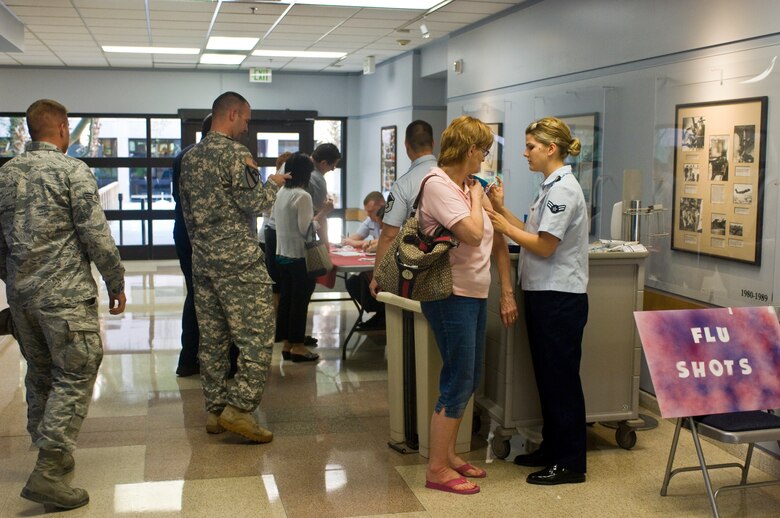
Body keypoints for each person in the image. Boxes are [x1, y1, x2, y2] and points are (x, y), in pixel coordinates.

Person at [0, 99, 126, 510]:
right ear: (62, 128)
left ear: (29, 129)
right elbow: (95, 233)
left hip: (22, 299)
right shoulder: (72, 171)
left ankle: (48, 450)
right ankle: (50, 470)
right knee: (76, 370)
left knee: (41, 373)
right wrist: (115, 280)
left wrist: (15, 281)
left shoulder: (5, 174)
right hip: (65, 298)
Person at [415, 116, 518, 495]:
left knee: (469, 378)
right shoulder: (438, 185)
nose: (485, 158)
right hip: (449, 295)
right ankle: (437, 468)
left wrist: (506, 291)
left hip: (474, 294)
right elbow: (473, 234)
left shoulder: (469, 185)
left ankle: (448, 455)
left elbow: (497, 238)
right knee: (458, 378)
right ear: (470, 149)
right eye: (484, 151)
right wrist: (477, 200)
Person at [180, 91, 289, 443]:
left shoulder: (190, 157)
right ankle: (239, 408)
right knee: (257, 335)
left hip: (203, 262)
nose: (246, 126)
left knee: (213, 339)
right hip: (239, 262)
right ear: (232, 114)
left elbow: (186, 212)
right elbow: (254, 202)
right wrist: (273, 183)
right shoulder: (236, 154)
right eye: (246, 119)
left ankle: (215, 410)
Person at [486, 116, 589, 485]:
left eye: (531, 147)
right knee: (547, 377)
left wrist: (504, 227)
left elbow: (545, 246)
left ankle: (571, 462)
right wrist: (501, 210)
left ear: (551, 148)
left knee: (561, 380)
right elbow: (531, 231)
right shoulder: (549, 187)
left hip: (559, 296)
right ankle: (552, 447)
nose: (525, 153)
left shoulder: (563, 190)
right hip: (544, 293)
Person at [273, 152, 333, 362]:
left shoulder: (281, 192)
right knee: (300, 303)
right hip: (299, 257)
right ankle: (298, 346)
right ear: (306, 173)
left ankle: (287, 344)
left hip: (282, 254)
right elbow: (306, 229)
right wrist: (323, 213)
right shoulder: (302, 196)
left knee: (287, 301)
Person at [370, 120, 438, 297]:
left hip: (417, 269)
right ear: (433, 143)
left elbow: (389, 235)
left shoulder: (404, 184)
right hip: (451, 268)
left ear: (406, 145)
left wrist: (378, 275)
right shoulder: (450, 176)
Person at [172, 114, 211, 377]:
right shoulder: (206, 158)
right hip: (200, 235)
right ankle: (195, 357)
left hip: (183, 231)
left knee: (195, 293)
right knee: (202, 295)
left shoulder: (182, 155)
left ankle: (190, 357)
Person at [344, 191, 386, 330]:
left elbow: (385, 241)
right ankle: (380, 314)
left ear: (381, 204)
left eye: (371, 211)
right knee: (353, 282)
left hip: (387, 268)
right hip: (375, 264)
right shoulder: (371, 219)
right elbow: (357, 237)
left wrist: (369, 243)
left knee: (364, 281)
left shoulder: (391, 219)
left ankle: (382, 315)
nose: (368, 214)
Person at [307, 142, 341, 246]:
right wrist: (326, 247)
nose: (333, 170)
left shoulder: (291, 165)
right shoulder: (317, 179)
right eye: (332, 166)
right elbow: (319, 218)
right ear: (323, 163)